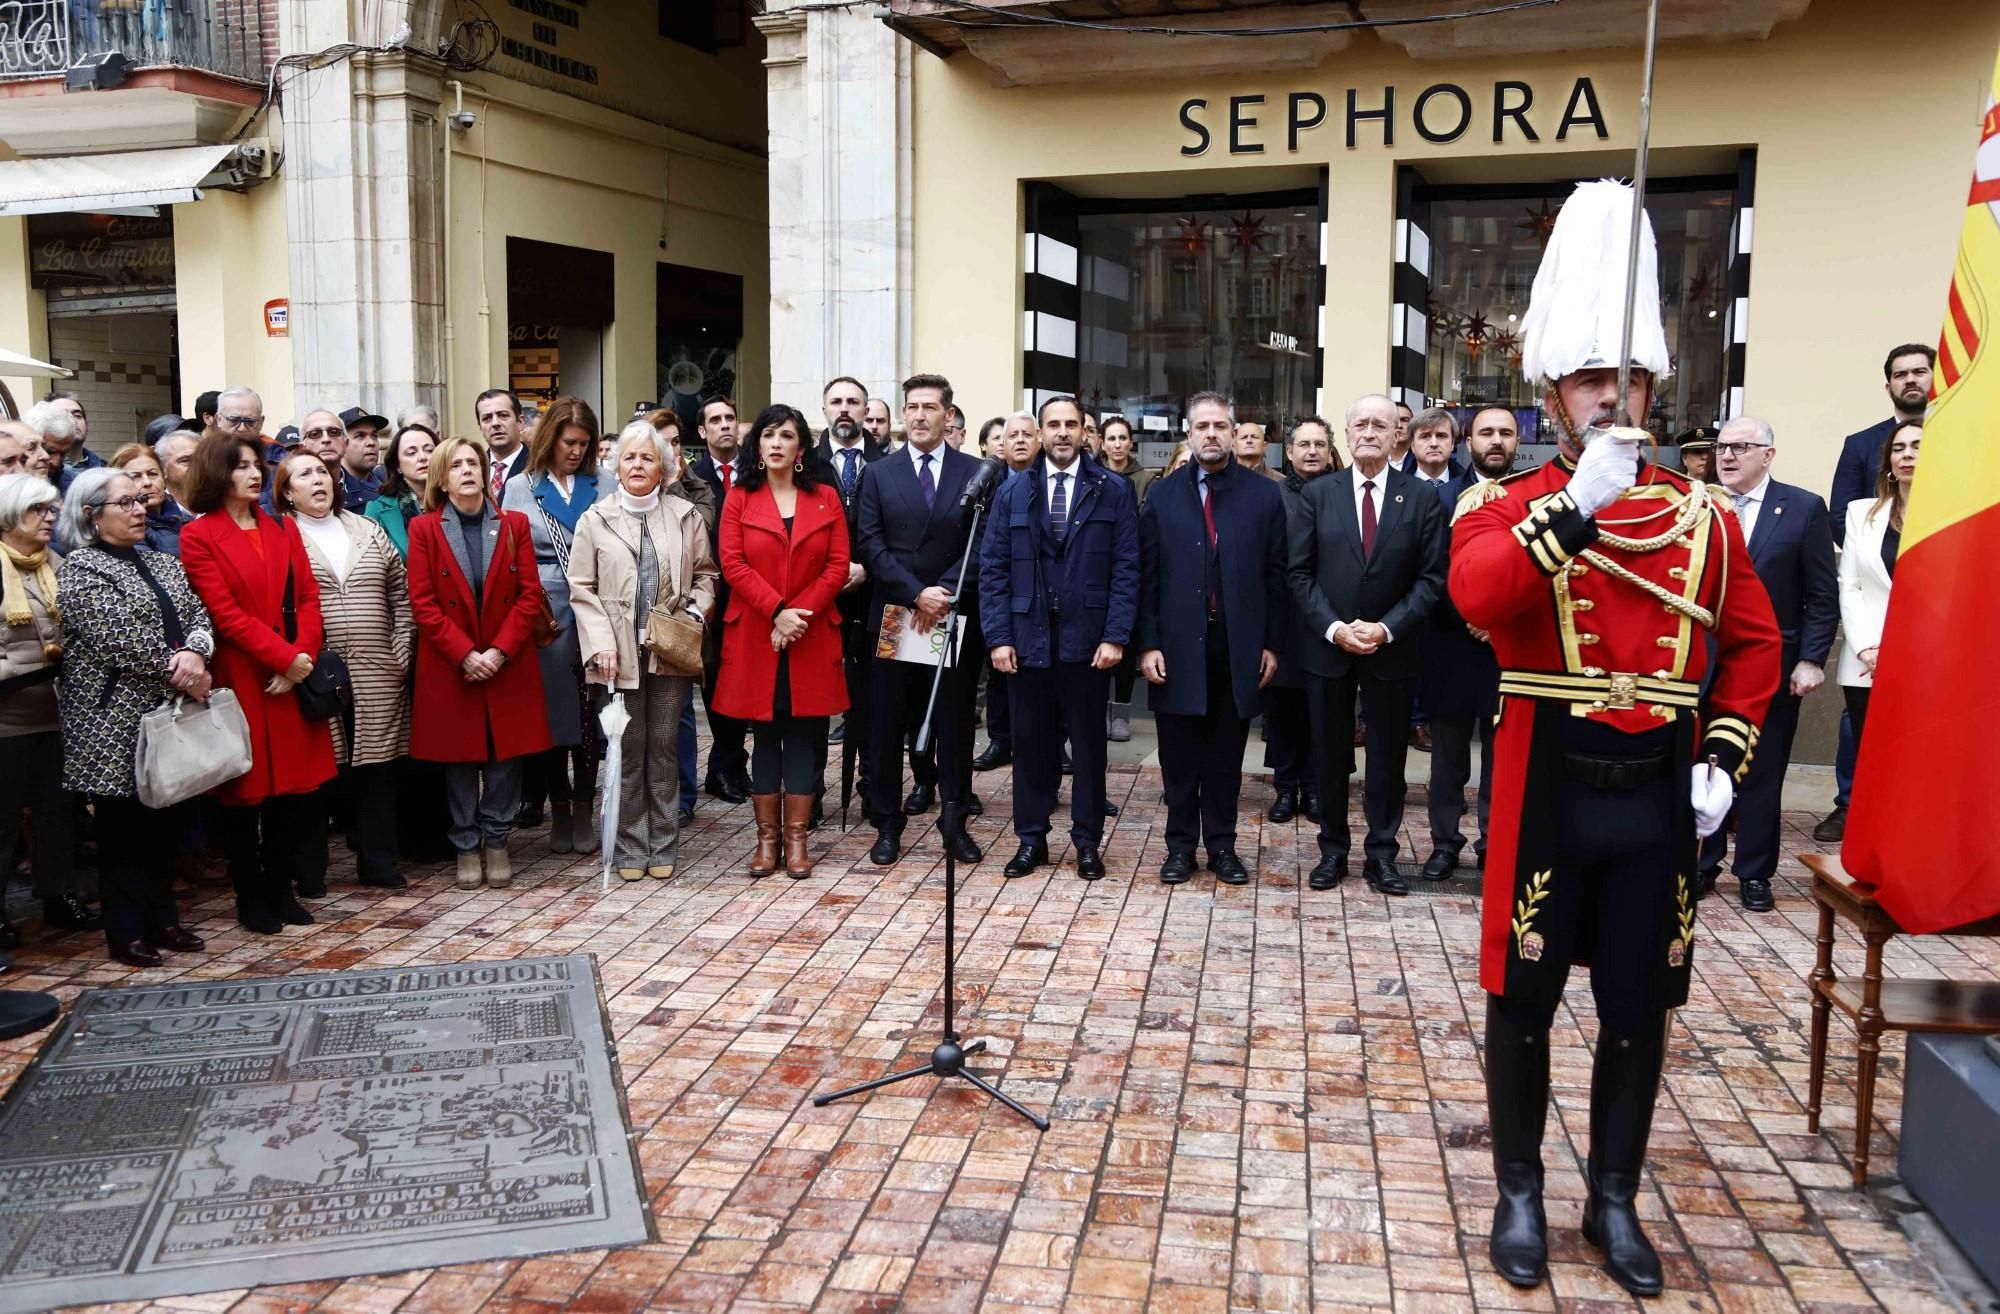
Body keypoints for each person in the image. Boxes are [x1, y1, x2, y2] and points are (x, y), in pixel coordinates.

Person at [1449, 180, 1781, 1297]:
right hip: (1545, 781)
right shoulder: (1509, 503)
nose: (1611, 397)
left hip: (1652, 794)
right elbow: (1478, 598)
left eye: (1628, 378)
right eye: (1591, 379)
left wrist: (1722, 761)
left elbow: (1750, 647)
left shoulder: (1702, 518)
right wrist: (1572, 509)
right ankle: (1517, 1193)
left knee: (1639, 1003)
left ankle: (1611, 1199)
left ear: (1653, 385)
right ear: (1551, 395)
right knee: (1523, 994)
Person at [1289, 394, 1447, 896]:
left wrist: (1385, 628)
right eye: (1361, 424)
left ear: (1397, 434)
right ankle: (1332, 851)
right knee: (1330, 756)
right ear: (1348, 432)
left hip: (1392, 650)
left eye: (1381, 424)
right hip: (1328, 649)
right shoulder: (1318, 495)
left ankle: (1382, 854)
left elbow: (1430, 579)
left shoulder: (1420, 497)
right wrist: (1336, 628)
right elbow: (1298, 573)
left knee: (1387, 761)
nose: (1370, 432)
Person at [179, 434, 339, 931]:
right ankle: (251, 896)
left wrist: (301, 660)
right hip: (244, 676)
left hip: (290, 676)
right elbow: (223, 614)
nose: (254, 473)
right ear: (216, 473)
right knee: (245, 798)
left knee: (297, 795)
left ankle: (281, 888)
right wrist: (283, 659)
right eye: (241, 466)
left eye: (256, 465)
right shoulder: (199, 536)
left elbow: (309, 597)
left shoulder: (283, 527)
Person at [56, 468, 215, 966]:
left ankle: (164, 919)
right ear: (91, 515)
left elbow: (198, 615)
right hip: (112, 724)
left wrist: (197, 651)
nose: (138, 509)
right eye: (124, 502)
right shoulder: (81, 569)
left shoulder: (161, 562)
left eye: (141, 499)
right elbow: (119, 638)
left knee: (164, 823)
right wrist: (185, 670)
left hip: (167, 713)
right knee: (123, 832)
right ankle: (127, 932)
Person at [981, 395, 1138, 882]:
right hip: (1026, 642)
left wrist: (1115, 635)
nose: (1063, 433)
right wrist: (999, 637)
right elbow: (993, 570)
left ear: (1083, 431)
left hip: (1088, 644)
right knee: (1030, 747)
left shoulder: (1111, 490)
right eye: (1054, 425)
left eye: (1072, 424)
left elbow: (1127, 569)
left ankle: (1087, 843)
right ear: (1041, 432)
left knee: (1089, 749)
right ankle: (1031, 840)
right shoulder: (1013, 492)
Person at [1136, 391, 1287, 886]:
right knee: (1178, 760)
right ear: (1187, 433)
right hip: (1176, 648)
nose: (1211, 434)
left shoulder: (1264, 496)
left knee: (1225, 758)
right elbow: (1147, 576)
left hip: (1237, 647)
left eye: (1220, 426)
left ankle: (1222, 847)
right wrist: (1149, 643)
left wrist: (1271, 642)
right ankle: (1180, 848)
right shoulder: (1162, 494)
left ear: (1234, 431)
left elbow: (1276, 575)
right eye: (1202, 427)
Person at [1694, 417, 1837, 911]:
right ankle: (1702, 864)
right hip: (1703, 665)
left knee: (1762, 773)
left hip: (1771, 667)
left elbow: (1821, 595)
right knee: (1707, 767)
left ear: (1768, 455)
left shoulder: (1802, 509)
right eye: (1722, 447)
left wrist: (1811, 659)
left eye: (1740, 447)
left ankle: (1754, 873)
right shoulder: (1699, 507)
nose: (1726, 456)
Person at [571, 421, 718, 880]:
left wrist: (693, 614)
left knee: (664, 746)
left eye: (648, 458)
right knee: (627, 748)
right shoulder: (595, 519)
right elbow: (581, 587)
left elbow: (706, 576)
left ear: (663, 467)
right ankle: (632, 846)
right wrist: (599, 646)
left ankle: (664, 843)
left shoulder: (684, 515)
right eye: (630, 457)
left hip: (668, 650)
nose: (638, 464)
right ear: (616, 466)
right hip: (617, 655)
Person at [406, 435, 552, 890]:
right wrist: (465, 653)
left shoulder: (514, 525)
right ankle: (466, 845)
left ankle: (497, 839)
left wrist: (499, 651)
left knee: (504, 758)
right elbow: (423, 602)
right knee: (461, 760)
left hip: (506, 661)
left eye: (473, 463)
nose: (467, 471)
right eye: (456, 465)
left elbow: (529, 596)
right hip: (453, 664)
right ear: (442, 479)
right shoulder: (425, 529)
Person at [854, 373, 986, 866]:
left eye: (930, 407)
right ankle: (887, 823)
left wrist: (943, 594)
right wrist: (916, 594)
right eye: (912, 406)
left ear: (948, 415)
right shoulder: (879, 474)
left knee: (953, 726)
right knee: (886, 725)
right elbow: (869, 543)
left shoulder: (975, 472)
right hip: (895, 613)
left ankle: (954, 822)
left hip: (950, 616)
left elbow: (983, 542)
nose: (920, 415)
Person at [712, 406, 847, 877]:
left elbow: (837, 565)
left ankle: (797, 842)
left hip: (809, 635)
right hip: (757, 632)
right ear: (758, 446)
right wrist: (776, 611)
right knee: (766, 736)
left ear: (800, 448)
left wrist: (797, 616)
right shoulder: (739, 498)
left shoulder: (827, 498)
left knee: (807, 738)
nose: (775, 443)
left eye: (785, 435)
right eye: (768, 435)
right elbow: (732, 564)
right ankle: (767, 842)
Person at [274, 452, 413, 890]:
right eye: (305, 475)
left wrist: (401, 650)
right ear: (286, 492)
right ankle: (310, 871)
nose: (318, 480)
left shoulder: (366, 528)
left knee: (376, 769)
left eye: (323, 472)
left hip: (378, 667)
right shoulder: (281, 536)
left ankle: (378, 862)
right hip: (314, 670)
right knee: (319, 772)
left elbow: (402, 594)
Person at [1817, 342, 1933, 845]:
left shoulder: (1967, 440)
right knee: (1857, 727)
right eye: (1900, 374)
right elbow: (1846, 523)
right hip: (1873, 633)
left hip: (1933, 638)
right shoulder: (1862, 443)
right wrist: (1867, 641)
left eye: (1919, 372)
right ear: (1888, 384)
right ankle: (1851, 804)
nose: (1910, 380)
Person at [501, 397, 610, 854]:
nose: (576, 451)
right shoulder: (522, 486)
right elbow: (509, 554)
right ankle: (559, 808)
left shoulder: (604, 482)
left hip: (596, 608)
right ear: (550, 439)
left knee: (591, 715)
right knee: (550, 718)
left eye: (584, 444)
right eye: (569, 442)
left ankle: (584, 805)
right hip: (544, 615)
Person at [1419, 406, 1518, 877]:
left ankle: (1494, 845)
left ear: (1517, 441)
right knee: (1448, 760)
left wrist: (1500, 621)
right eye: (1486, 433)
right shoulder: (1439, 499)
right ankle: (1444, 844)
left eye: (1505, 433)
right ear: (1467, 440)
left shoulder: (1536, 497)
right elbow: (1429, 572)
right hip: (1452, 644)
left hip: (1513, 649)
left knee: (1505, 758)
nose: (1495, 441)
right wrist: (1472, 618)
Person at [0, 474, 100, 939]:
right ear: (9, 516)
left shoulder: (53, 563)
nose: (49, 518)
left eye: (52, 509)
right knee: (2, 821)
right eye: (37, 510)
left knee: (55, 812)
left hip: (55, 713)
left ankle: (59, 897)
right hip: (6, 717)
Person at [1265, 417, 1338, 825]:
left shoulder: (1343, 493)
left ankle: (1314, 787)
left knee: (1322, 711)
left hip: (1330, 620)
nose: (1312, 451)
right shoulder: (1272, 496)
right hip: (1285, 619)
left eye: (1319, 444)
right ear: (1289, 452)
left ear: (1330, 452)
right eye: (1303, 444)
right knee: (1283, 709)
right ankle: (1285, 786)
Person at [646, 406, 715, 827]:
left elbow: (698, 539)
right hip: (637, 610)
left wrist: (671, 488)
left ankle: (684, 794)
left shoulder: (697, 489)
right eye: (661, 443)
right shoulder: (628, 489)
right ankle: (646, 794)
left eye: (675, 441)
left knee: (681, 710)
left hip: (679, 611)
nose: (671, 450)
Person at [685, 396, 756, 805]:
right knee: (715, 687)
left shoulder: (753, 473)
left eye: (731, 418)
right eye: (716, 420)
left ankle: (732, 764)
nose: (725, 425)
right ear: (702, 431)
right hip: (710, 595)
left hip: (747, 593)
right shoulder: (693, 479)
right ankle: (723, 767)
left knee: (742, 682)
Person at [818, 377, 886, 785]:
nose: (844, 408)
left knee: (878, 699)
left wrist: (867, 568)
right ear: (824, 409)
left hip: (878, 596)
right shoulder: (804, 463)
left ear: (866, 410)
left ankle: (874, 784)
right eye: (836, 401)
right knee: (815, 697)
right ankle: (810, 787)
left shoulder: (889, 463)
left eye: (853, 402)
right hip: (822, 598)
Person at [1837, 425, 1918, 755]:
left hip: (1929, 659)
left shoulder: (1950, 519)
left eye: (1917, 446)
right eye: (1898, 449)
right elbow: (1850, 584)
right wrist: (1867, 648)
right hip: (1868, 660)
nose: (1907, 454)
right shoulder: (1861, 512)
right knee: (1874, 756)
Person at [973, 412, 1041, 772]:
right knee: (999, 673)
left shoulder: (1052, 480)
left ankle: (1054, 749)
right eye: (1009, 435)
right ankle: (1000, 741)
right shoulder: (988, 483)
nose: (1016, 441)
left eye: (1025, 435)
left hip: (1042, 596)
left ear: (1038, 439)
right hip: (1000, 592)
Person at [362, 421, 436, 557]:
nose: (423, 457)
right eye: (412, 452)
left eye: (429, 450)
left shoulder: (456, 501)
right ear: (397, 466)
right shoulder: (377, 509)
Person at [109, 442, 191, 554]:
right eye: (136, 477)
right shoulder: (126, 528)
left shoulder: (186, 519)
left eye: (152, 474)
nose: (147, 482)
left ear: (163, 476)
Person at [476, 388, 533, 496]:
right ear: (480, 428)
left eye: (503, 415)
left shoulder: (539, 465)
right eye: (487, 418)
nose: (495, 423)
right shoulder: (474, 467)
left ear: (520, 422)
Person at [336, 406, 388, 510]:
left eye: (374, 436)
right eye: (360, 436)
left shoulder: (387, 485)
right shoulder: (332, 490)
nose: (371, 443)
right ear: (342, 444)